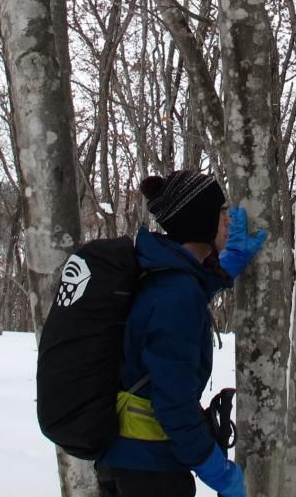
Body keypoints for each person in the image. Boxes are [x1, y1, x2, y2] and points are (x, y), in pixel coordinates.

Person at [96, 170, 266, 497]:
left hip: (127, 459)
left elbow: (176, 301)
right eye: (220, 212)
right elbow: (172, 399)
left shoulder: (162, 274)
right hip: (149, 469)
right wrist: (217, 470)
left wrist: (224, 267)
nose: (228, 220)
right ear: (201, 221)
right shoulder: (177, 293)